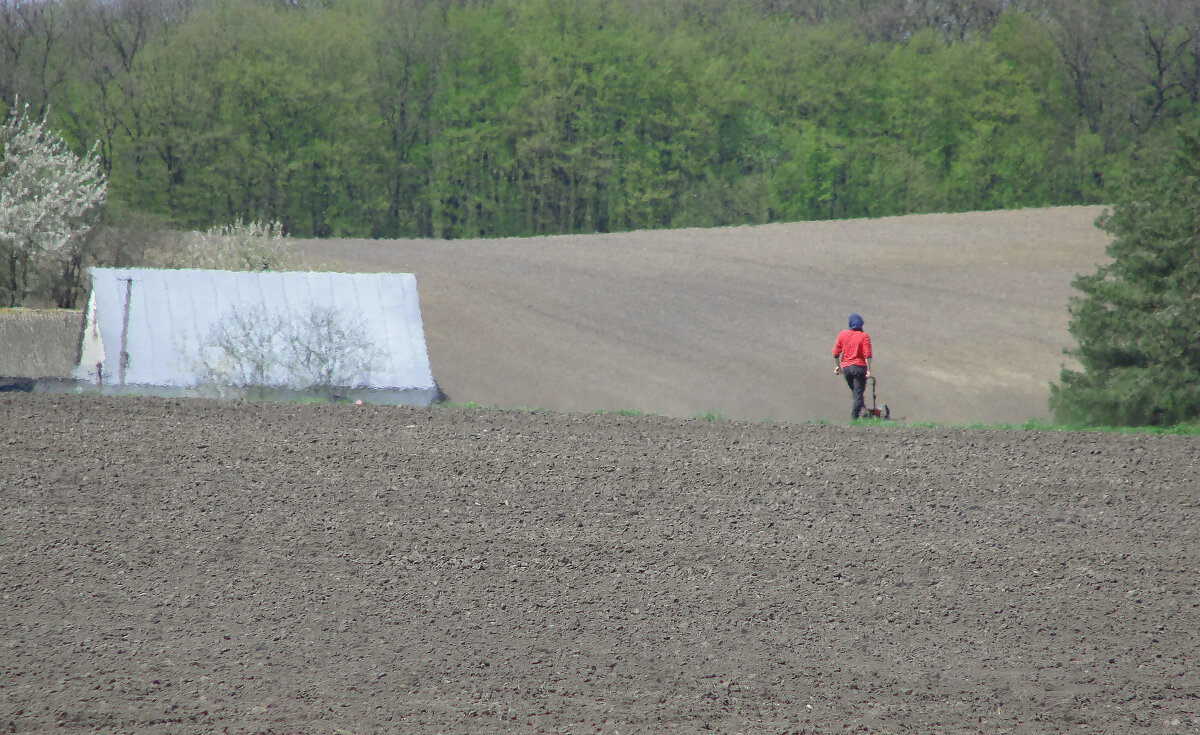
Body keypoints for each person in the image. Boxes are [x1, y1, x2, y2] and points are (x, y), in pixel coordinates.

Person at [832, 313, 872, 421]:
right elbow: (867, 355)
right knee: (858, 393)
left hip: (846, 368)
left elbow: (835, 353)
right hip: (859, 368)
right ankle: (854, 419)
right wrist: (869, 370)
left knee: (856, 392)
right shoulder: (864, 336)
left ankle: (863, 413)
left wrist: (838, 367)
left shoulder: (842, 334)